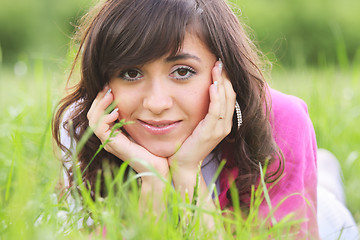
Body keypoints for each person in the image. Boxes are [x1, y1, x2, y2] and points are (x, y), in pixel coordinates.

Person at [52, 0, 357, 239]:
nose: (157, 103)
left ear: (224, 71)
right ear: (104, 81)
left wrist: (187, 170)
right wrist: (153, 179)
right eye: (131, 73)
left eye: (182, 71)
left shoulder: (282, 120)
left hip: (322, 221)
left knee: (324, 194)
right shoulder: (85, 127)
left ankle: (325, 174)